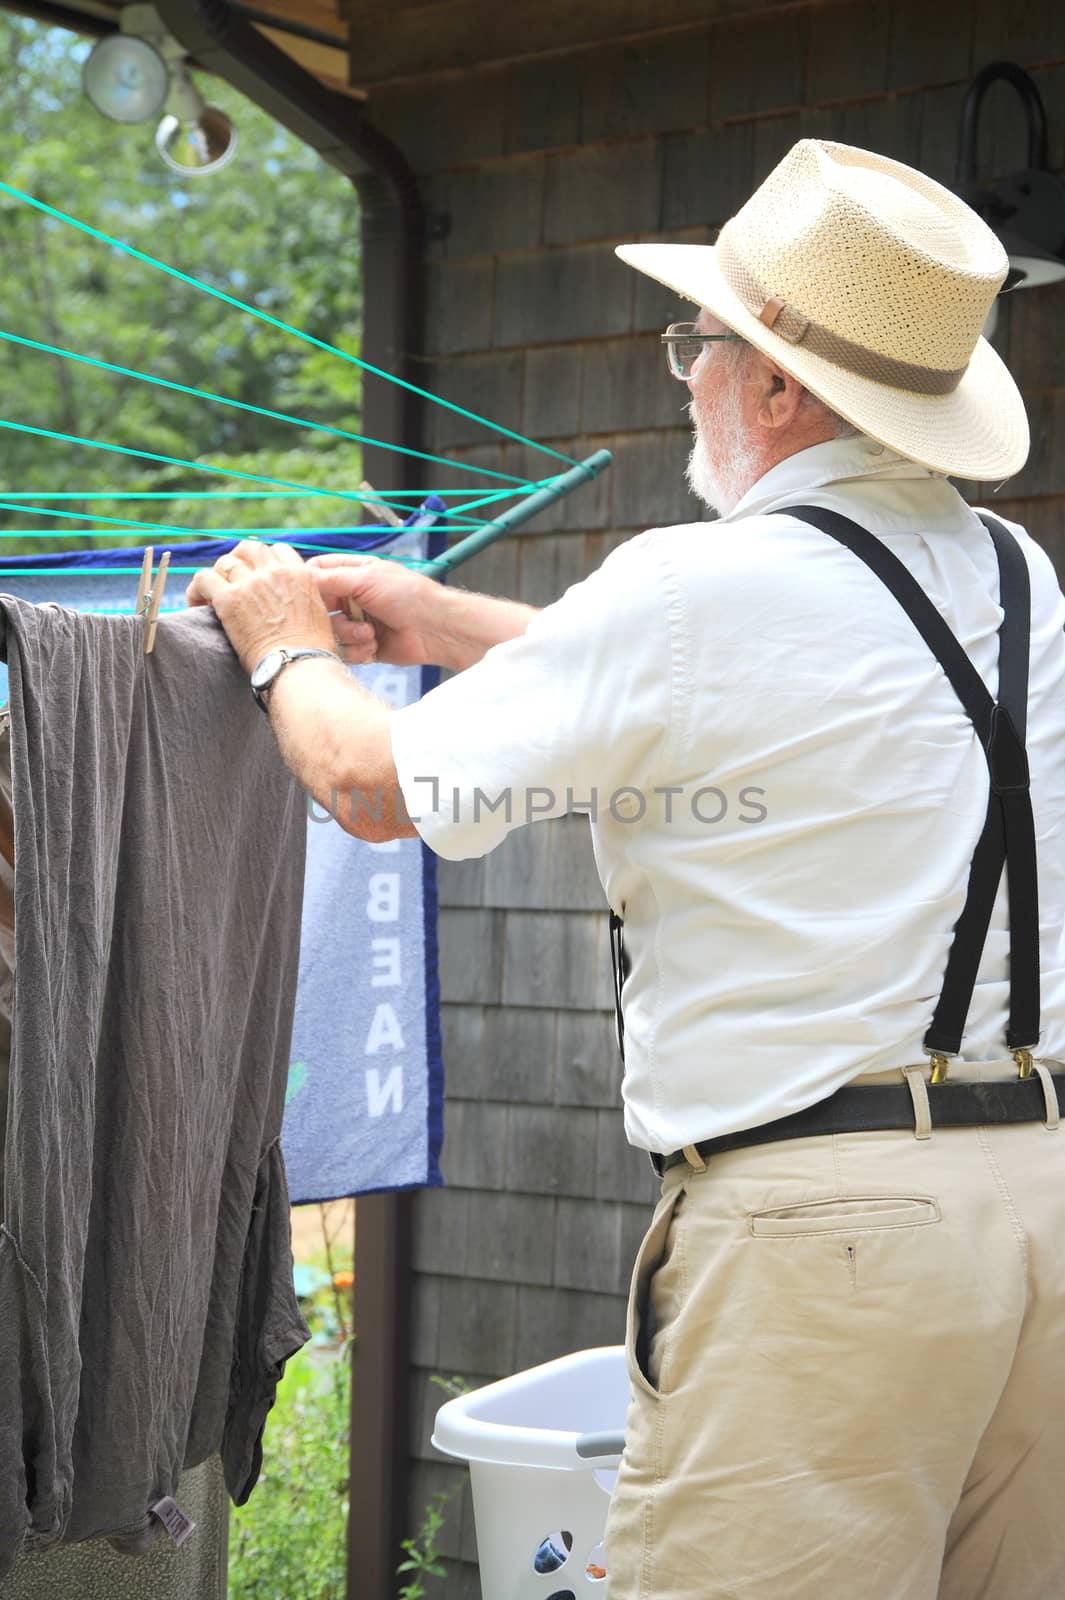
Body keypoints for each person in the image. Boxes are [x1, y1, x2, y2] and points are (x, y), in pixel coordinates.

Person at [187, 140, 1065, 1600]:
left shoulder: (688, 586)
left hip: (822, 1243)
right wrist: (444, 621)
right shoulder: (1019, 579)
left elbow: (369, 782)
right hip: (1037, 1208)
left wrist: (280, 635)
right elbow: (771, 689)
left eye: (695, 345)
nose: (684, 378)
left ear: (776, 385)